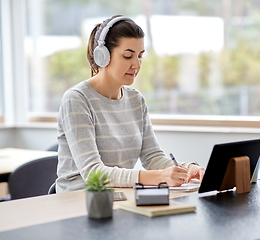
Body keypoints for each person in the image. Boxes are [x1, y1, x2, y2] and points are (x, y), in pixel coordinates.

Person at [56, 15, 205, 193]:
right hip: (79, 199)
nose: (136, 64)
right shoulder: (77, 99)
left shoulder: (136, 100)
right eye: (128, 56)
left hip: (120, 195)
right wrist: (159, 177)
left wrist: (186, 170)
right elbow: (93, 173)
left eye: (140, 56)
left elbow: (152, 157)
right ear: (102, 56)